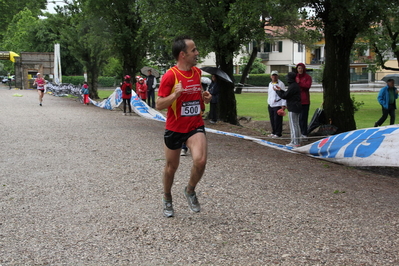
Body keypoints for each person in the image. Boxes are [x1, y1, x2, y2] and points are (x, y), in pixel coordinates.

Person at [156, 36, 212, 217]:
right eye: (194, 50)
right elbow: (159, 104)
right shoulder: (170, 76)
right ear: (183, 54)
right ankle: (167, 197)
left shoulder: (197, 73)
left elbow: (196, 99)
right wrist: (175, 96)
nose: (197, 53)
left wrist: (204, 99)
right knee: (171, 168)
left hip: (194, 125)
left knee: (201, 160)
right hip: (175, 128)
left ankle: (190, 190)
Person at [274, 72, 301, 147]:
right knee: (296, 124)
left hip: (293, 107)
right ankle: (296, 141)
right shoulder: (294, 86)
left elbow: (285, 96)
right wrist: (280, 90)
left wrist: (277, 91)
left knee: (293, 125)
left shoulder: (293, 86)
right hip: (296, 106)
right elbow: (287, 94)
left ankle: (295, 142)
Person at [267, 71, 286, 138]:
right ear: (271, 76)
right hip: (271, 104)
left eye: (275, 75)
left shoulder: (281, 84)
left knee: (277, 119)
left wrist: (283, 105)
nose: (274, 77)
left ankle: (278, 133)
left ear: (278, 76)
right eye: (273, 75)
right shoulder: (270, 84)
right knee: (272, 119)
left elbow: (283, 94)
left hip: (278, 104)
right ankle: (273, 131)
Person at [295, 63, 312, 139]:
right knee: (297, 118)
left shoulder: (307, 77)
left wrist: (300, 83)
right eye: (299, 68)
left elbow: (307, 86)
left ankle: (304, 133)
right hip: (297, 101)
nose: (300, 70)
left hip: (305, 101)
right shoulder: (295, 77)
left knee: (303, 118)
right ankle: (298, 133)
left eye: (301, 68)